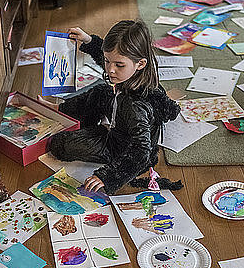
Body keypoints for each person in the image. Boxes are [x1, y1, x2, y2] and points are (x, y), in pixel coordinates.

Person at [38, 20, 181, 195]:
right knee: (100, 91)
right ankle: (61, 109)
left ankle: (94, 129)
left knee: (59, 145)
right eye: (107, 61)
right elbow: (111, 57)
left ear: (140, 64)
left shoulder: (134, 106)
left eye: (119, 65)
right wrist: (89, 40)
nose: (110, 70)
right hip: (120, 121)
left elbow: (141, 151)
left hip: (120, 147)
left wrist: (107, 177)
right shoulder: (136, 73)